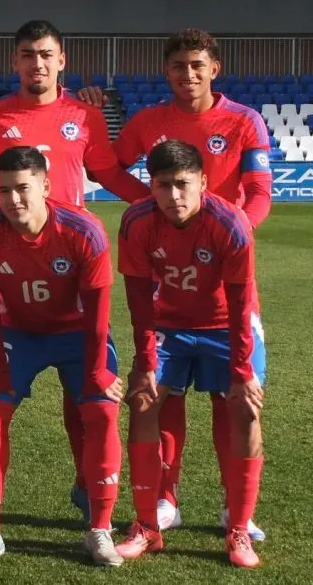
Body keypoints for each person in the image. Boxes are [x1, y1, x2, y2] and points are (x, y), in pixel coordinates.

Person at [0, 19, 149, 526]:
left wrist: (152, 205)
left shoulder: (84, 115)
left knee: (84, 399)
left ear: (61, 60)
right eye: (27, 55)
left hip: (73, 262)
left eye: (46, 54)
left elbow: (107, 172)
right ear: (15, 62)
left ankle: (88, 488)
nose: (36, 63)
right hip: (16, 266)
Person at [112, 29, 271, 539]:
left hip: (223, 269)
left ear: (214, 68)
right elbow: (106, 164)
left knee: (233, 402)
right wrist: (153, 206)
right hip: (170, 285)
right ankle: (165, 501)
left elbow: (259, 191)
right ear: (167, 71)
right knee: (163, 396)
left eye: (197, 65)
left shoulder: (244, 120)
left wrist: (232, 229)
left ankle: (235, 510)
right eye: (178, 65)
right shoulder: (148, 122)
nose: (188, 74)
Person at [0, 146, 124, 567]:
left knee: (101, 412)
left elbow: (99, 309)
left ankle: (100, 529)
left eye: (23, 188)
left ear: (46, 186)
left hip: (78, 333)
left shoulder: (84, 230)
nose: (13, 199)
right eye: (4, 190)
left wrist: (99, 371)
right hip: (17, 334)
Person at [115, 140, 265, 569]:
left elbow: (240, 303)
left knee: (245, 410)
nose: (173, 195)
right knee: (143, 402)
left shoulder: (230, 223)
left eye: (183, 183)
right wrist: (145, 363)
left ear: (203, 181)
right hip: (169, 324)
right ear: (151, 186)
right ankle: (147, 525)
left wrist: (242, 371)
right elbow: (139, 302)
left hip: (226, 325)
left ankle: (238, 527)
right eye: (163, 185)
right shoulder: (137, 221)